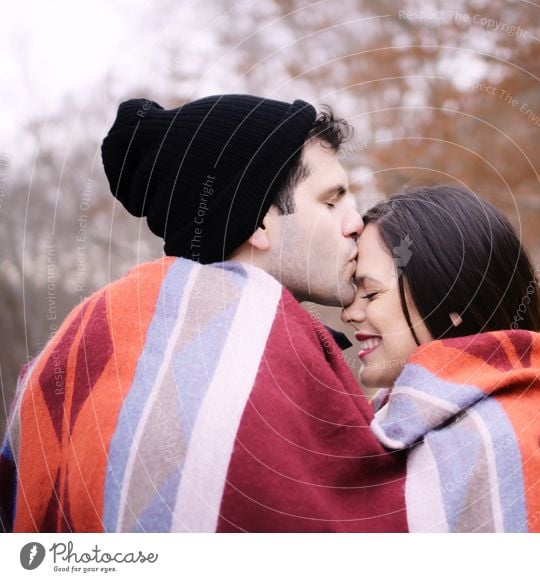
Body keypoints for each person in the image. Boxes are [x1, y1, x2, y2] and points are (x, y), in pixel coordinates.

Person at [0, 95, 407, 532]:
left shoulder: (81, 351)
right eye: (331, 201)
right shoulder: (255, 367)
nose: (355, 223)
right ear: (259, 222)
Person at [341, 185, 540, 532]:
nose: (349, 313)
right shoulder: (397, 422)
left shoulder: (491, 441)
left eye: (371, 293)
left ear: (450, 302)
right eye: (351, 292)